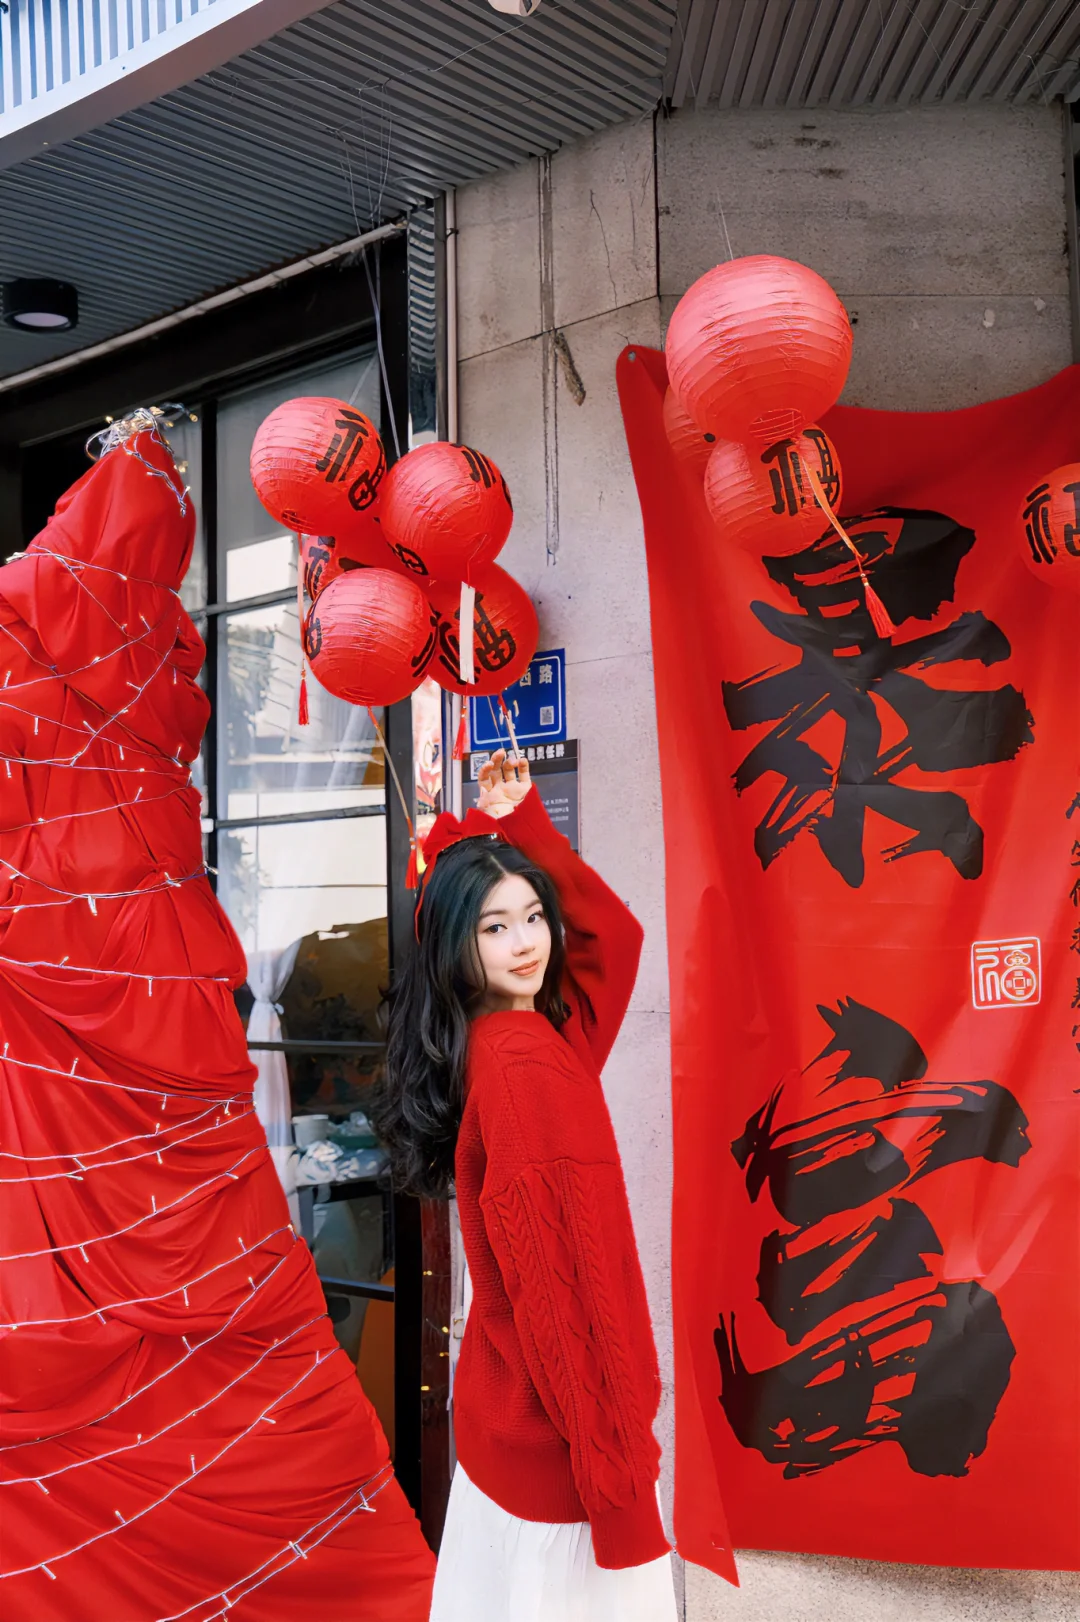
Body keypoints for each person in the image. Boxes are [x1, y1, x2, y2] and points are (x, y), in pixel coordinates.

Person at [374, 749, 677, 1622]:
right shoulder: (529, 1065)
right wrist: (620, 1486)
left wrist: (524, 830)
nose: (529, 942)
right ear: (455, 947)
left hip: (513, 1436)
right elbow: (569, 1288)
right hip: (569, 1470)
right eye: (496, 927)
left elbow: (610, 942)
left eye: (534, 916)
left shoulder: (500, 1039)